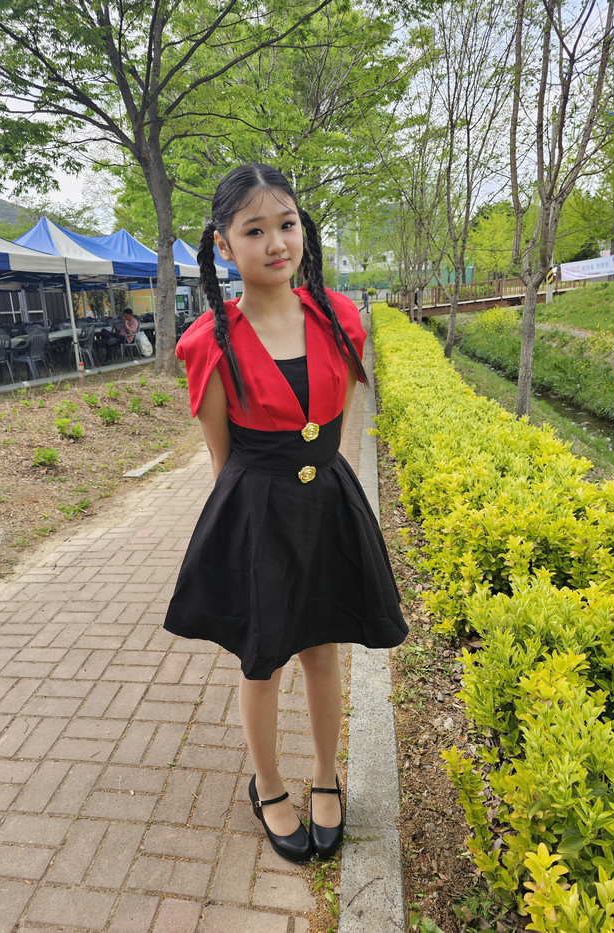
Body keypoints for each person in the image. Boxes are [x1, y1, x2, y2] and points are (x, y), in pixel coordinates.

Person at [164, 164, 408, 864]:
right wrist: (245, 540)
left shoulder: (340, 317)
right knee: (262, 661)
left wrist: (323, 488)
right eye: (255, 230)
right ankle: (268, 786)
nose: (276, 243)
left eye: (287, 224)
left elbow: (335, 427)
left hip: (327, 504)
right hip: (257, 515)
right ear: (222, 245)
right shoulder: (208, 342)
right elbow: (223, 461)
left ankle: (326, 776)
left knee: (323, 648)